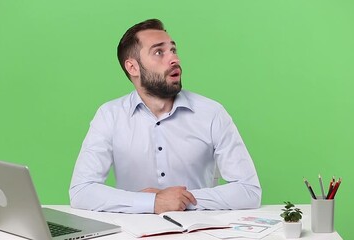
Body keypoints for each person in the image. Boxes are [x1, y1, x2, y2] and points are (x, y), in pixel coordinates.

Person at [69, 19, 261, 214]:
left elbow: (248, 190)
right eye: (159, 52)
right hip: (132, 232)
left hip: (197, 231)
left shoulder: (212, 113)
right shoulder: (109, 115)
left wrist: (180, 200)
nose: (174, 59)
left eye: (173, 50)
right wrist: (151, 202)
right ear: (133, 67)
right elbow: (81, 191)